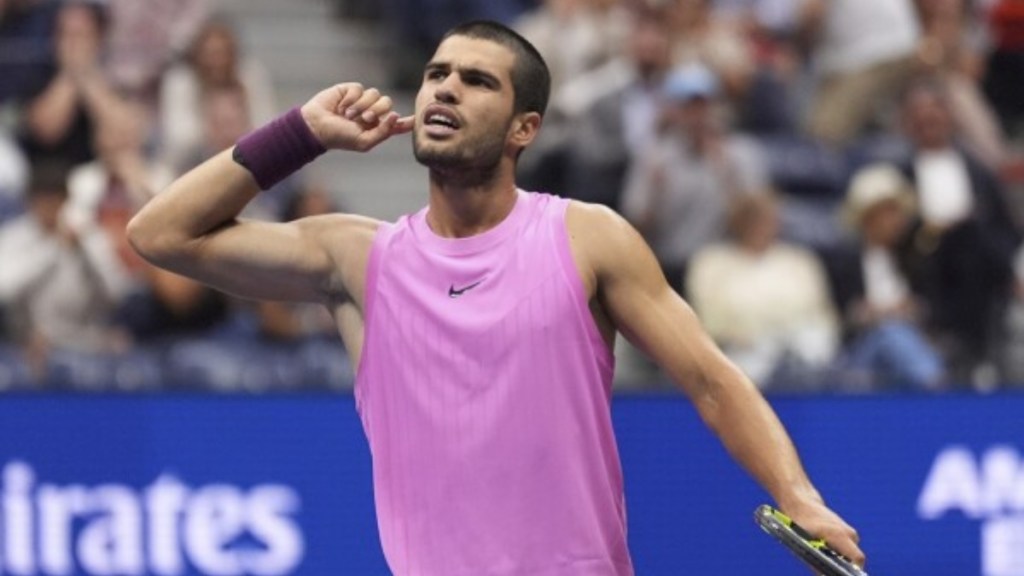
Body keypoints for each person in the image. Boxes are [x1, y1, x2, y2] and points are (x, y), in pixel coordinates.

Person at [127, 20, 864, 575]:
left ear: (524, 129)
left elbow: (709, 378)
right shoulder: (357, 257)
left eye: (478, 80)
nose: (445, 87)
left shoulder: (588, 237)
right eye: (436, 73)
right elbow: (160, 234)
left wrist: (798, 496)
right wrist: (299, 135)